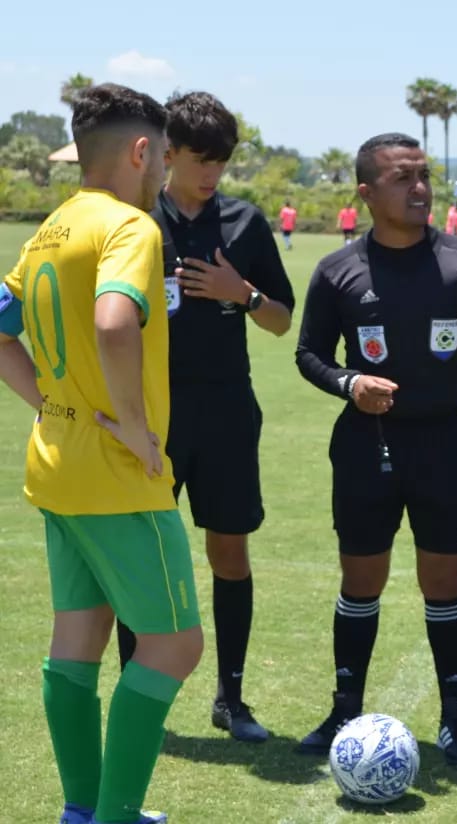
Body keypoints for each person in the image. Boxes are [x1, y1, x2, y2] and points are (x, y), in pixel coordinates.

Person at [293, 132, 457, 766]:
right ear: (366, 192)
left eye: (424, 176)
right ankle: (345, 707)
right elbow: (308, 355)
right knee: (361, 581)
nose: (419, 188)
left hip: (444, 443)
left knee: (444, 584)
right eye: (401, 178)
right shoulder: (337, 270)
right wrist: (349, 382)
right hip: (364, 445)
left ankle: (455, 718)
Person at [0, 83, 204, 824]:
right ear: (143, 151)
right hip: (120, 479)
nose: (164, 177)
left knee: (76, 644)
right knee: (176, 647)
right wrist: (132, 425)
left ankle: (83, 812)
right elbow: (116, 322)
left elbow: (0, 328)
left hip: (55, 467)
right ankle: (115, 818)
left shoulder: (49, 228)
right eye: (165, 158)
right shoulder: (131, 227)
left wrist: (56, 407)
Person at [112, 91, 295, 745]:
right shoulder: (133, 219)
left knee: (230, 554)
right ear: (168, 151)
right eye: (201, 159)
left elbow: (281, 319)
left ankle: (232, 700)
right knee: (142, 561)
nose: (212, 173)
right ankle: (139, 705)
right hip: (150, 417)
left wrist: (240, 294)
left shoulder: (245, 223)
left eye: (222, 161)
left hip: (225, 412)